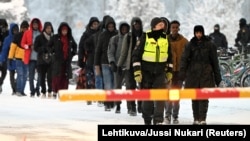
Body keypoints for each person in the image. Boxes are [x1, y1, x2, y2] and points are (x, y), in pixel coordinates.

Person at [132, 17, 173, 125]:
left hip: (160, 73)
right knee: (147, 97)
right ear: (154, 26)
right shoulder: (145, 36)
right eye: (159, 24)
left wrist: (169, 71)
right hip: (146, 73)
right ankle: (147, 119)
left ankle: (158, 120)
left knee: (160, 97)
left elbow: (169, 57)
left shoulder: (165, 38)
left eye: (163, 24)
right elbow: (136, 55)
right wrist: (137, 71)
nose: (162, 26)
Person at [179, 25, 222, 125]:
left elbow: (215, 62)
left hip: (205, 74)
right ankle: (196, 118)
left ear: (203, 33)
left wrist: (218, 78)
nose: (198, 35)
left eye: (200, 32)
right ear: (194, 33)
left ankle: (202, 119)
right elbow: (184, 60)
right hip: (193, 74)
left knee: (204, 98)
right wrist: (182, 73)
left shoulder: (209, 45)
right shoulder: (190, 45)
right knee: (194, 98)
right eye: (197, 33)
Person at [117, 17, 143, 116]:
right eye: (135, 24)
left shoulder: (144, 36)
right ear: (132, 25)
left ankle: (141, 105)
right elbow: (124, 53)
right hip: (130, 66)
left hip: (142, 65)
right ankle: (132, 107)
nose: (137, 25)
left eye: (138, 24)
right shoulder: (128, 36)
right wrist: (119, 65)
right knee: (130, 87)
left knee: (142, 86)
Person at [164, 20, 188, 124]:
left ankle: (175, 116)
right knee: (169, 94)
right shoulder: (165, 40)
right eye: (173, 27)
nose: (174, 29)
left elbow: (189, 55)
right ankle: (167, 115)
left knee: (176, 95)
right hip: (168, 72)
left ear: (179, 28)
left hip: (179, 72)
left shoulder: (184, 41)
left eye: (176, 27)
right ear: (170, 29)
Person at [47, 22, 77, 99]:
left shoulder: (70, 38)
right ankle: (55, 91)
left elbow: (75, 46)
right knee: (56, 77)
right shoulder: (55, 37)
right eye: (63, 30)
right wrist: (52, 53)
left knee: (65, 77)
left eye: (66, 30)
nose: (64, 32)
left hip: (66, 61)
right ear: (60, 30)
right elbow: (48, 46)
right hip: (57, 60)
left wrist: (72, 53)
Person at [94, 16, 117, 111]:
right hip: (104, 63)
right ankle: (107, 103)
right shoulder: (102, 35)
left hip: (115, 63)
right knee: (107, 84)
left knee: (115, 84)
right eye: (109, 26)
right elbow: (98, 51)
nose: (111, 28)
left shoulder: (117, 34)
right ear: (106, 26)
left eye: (112, 26)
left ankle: (113, 102)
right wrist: (96, 65)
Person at [107, 21, 130, 113]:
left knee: (129, 87)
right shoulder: (115, 39)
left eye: (126, 29)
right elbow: (110, 52)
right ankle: (118, 105)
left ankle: (130, 106)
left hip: (128, 66)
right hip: (118, 66)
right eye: (122, 29)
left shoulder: (130, 38)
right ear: (120, 29)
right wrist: (112, 62)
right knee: (117, 86)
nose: (124, 31)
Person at [78, 17, 100, 105]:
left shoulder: (100, 33)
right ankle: (89, 97)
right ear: (91, 24)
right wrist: (80, 59)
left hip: (98, 60)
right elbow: (81, 47)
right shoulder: (86, 34)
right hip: (89, 59)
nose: (96, 25)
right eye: (94, 24)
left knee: (97, 79)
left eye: (97, 24)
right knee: (89, 79)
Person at [21, 18, 43, 97]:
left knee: (40, 75)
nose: (35, 25)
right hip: (30, 58)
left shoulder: (41, 33)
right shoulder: (27, 33)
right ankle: (32, 90)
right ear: (32, 25)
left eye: (36, 24)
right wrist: (29, 46)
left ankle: (38, 89)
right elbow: (22, 44)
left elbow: (45, 44)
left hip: (40, 58)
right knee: (31, 75)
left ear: (39, 24)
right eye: (34, 24)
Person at [8, 20, 29, 96]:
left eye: (26, 28)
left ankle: (22, 91)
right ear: (21, 28)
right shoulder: (17, 36)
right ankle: (18, 90)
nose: (24, 29)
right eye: (23, 28)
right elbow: (12, 47)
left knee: (25, 75)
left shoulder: (29, 36)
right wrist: (10, 57)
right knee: (20, 74)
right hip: (18, 58)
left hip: (26, 59)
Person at [34, 22, 54, 98]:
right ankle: (43, 92)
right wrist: (43, 48)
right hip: (41, 60)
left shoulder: (54, 37)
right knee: (42, 77)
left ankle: (50, 91)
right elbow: (35, 48)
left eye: (50, 28)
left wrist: (52, 50)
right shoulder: (39, 37)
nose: (49, 29)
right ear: (44, 29)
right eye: (47, 28)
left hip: (51, 60)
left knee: (50, 77)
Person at [0, 23, 19, 95]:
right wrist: (1, 59)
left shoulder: (20, 37)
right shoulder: (7, 39)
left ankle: (16, 87)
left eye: (17, 29)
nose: (16, 31)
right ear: (11, 30)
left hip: (18, 58)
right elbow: (4, 50)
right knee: (11, 75)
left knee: (20, 75)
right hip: (10, 59)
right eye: (14, 30)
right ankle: (14, 89)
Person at [0, 19, 9, 93]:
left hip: (5, 55)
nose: (2, 26)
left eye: (3, 25)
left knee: (4, 71)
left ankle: (0, 83)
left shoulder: (8, 33)